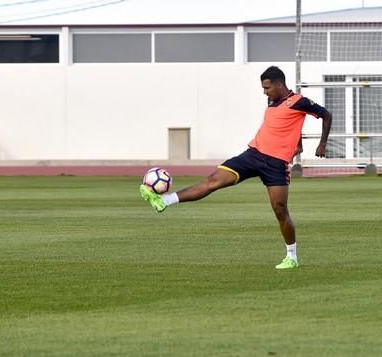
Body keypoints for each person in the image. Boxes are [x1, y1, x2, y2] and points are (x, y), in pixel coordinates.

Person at [139, 66, 332, 270]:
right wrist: (298, 144)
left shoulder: (299, 101)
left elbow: (326, 115)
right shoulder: (272, 101)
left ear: (279, 84)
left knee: (280, 210)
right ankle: (164, 200)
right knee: (213, 180)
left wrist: (322, 144)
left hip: (276, 164)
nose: (264, 92)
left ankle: (291, 256)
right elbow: (287, 124)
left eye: (267, 87)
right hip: (253, 154)